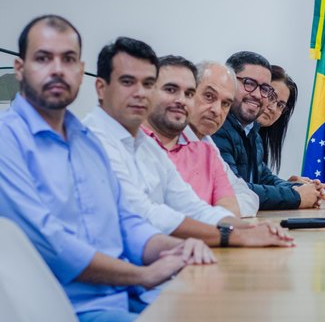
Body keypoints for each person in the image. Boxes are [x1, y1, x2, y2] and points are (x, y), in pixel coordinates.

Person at [0, 16, 216, 322]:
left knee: (217, 320)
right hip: (65, 315)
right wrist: (142, 275)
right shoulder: (7, 141)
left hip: (123, 297)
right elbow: (52, 244)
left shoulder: (86, 141)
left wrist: (171, 248)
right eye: (43, 58)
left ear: (80, 70)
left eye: (68, 60)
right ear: (20, 68)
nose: (57, 69)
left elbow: (124, 220)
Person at [85, 38, 293, 248]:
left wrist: (248, 229)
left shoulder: (144, 144)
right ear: (101, 88)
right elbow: (146, 213)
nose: (141, 93)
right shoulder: (93, 140)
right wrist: (232, 236)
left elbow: (191, 206)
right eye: (128, 82)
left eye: (188, 93)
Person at [213, 51, 325, 210]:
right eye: (249, 83)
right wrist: (296, 196)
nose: (258, 95)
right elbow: (233, 191)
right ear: (228, 82)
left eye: (264, 89)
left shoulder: (251, 132)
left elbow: (264, 178)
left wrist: (296, 187)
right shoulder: (216, 127)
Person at [143, 56, 240, 216]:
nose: (181, 100)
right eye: (170, 90)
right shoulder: (132, 141)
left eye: (188, 94)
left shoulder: (206, 151)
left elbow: (230, 210)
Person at [185, 60, 260, 217]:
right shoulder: (169, 140)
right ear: (189, 93)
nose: (217, 110)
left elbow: (249, 196)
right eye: (209, 96)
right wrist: (219, 209)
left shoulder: (207, 144)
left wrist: (221, 210)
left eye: (226, 103)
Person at [258, 64, 298, 174]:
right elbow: (237, 188)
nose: (273, 108)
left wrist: (291, 186)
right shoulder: (229, 132)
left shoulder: (257, 141)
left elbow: (258, 185)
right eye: (270, 97)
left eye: (280, 105)